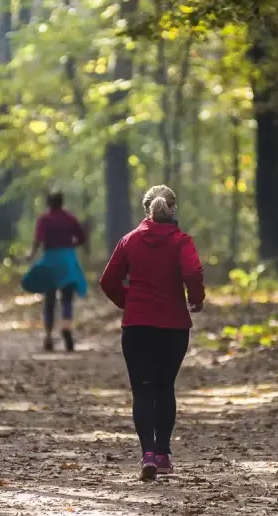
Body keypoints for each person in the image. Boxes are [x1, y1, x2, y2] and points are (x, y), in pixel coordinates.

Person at [99, 184, 205, 481]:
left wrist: (129, 302)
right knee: (164, 387)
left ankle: (147, 453)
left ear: (147, 209)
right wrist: (195, 298)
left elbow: (108, 280)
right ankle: (163, 453)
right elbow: (193, 272)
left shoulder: (129, 241)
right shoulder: (182, 241)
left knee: (143, 390)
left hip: (137, 327)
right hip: (173, 327)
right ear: (173, 209)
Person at [22, 190, 87, 352]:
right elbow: (81, 238)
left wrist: (30, 254)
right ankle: (66, 326)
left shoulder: (44, 219)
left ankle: (49, 336)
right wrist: (71, 245)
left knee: (49, 300)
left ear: (48, 203)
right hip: (68, 260)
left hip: (51, 259)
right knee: (67, 298)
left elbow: (38, 239)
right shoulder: (70, 218)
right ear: (62, 202)